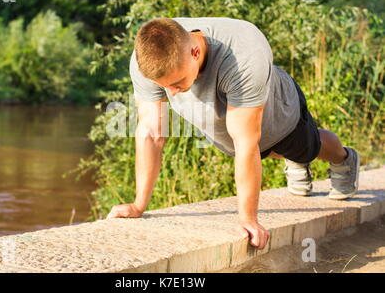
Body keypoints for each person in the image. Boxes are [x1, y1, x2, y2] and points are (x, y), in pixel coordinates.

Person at [106, 17, 360, 250]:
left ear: (195, 52)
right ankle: (294, 161)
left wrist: (248, 219)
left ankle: (344, 159)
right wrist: (138, 205)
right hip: (227, 129)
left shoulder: (242, 55)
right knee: (266, 152)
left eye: (176, 83)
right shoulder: (150, 58)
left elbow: (246, 142)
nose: (171, 94)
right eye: (164, 87)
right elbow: (151, 132)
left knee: (307, 149)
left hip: (280, 116)